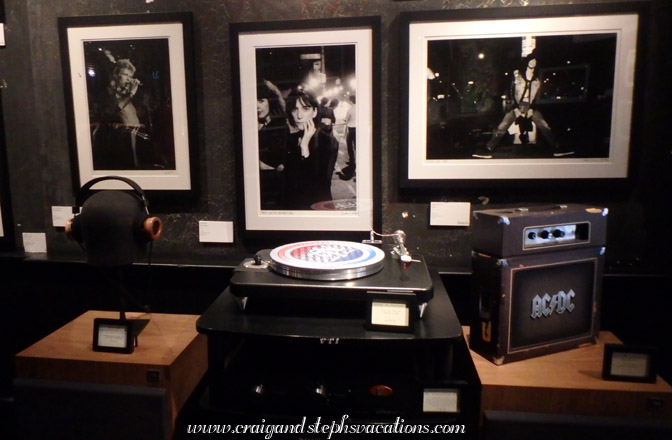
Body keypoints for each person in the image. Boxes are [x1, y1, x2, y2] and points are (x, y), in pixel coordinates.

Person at [484, 51, 572, 157]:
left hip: (530, 106)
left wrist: (532, 108)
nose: (533, 63)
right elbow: (512, 91)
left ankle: (557, 147)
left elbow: (536, 96)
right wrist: (516, 107)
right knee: (503, 125)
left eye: (535, 61)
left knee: (544, 125)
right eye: (531, 60)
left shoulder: (536, 79)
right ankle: (489, 148)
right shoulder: (518, 76)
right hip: (518, 105)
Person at [90, 59, 154, 169]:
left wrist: (141, 97)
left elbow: (137, 113)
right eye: (125, 75)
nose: (129, 79)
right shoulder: (108, 92)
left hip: (134, 137)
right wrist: (131, 93)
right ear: (116, 75)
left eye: (130, 76)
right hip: (119, 140)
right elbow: (115, 108)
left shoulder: (125, 94)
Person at [283, 88, 339, 210]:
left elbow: (321, 183)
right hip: (291, 206)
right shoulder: (291, 138)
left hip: (316, 207)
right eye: (294, 109)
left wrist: (304, 148)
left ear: (314, 112)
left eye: (305, 109)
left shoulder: (326, 141)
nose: (299, 116)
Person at [257, 79, 288, 209]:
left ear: (271, 101)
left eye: (261, 100)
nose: (257, 106)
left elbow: (274, 162)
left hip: (272, 191)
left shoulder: (280, 126)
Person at [338, 94, 356, 180]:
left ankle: (352, 160)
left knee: (350, 146)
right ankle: (356, 160)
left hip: (351, 128)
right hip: (358, 129)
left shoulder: (350, 109)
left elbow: (347, 119)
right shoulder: (360, 108)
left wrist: (345, 120)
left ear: (351, 101)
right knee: (357, 146)